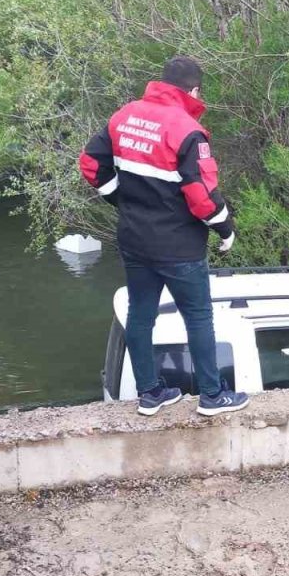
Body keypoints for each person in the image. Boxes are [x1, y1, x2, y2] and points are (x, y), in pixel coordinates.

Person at [78, 56, 250, 417]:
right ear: (194, 90)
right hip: (179, 247)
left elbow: (91, 164)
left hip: (135, 240)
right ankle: (212, 396)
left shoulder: (123, 116)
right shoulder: (188, 131)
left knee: (140, 316)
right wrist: (225, 229)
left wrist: (120, 199)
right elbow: (201, 195)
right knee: (199, 318)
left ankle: (150, 393)